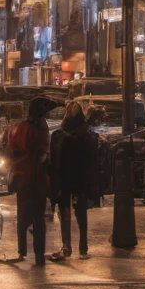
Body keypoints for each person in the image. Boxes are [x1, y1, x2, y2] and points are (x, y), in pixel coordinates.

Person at [48, 101, 99, 262]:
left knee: (65, 213)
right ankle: (82, 247)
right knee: (81, 213)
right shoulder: (88, 136)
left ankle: (67, 246)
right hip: (80, 179)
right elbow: (93, 161)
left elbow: (53, 159)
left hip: (64, 179)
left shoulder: (58, 136)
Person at [6, 96, 54, 265]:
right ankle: (39, 254)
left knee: (23, 216)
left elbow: (10, 149)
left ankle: (22, 250)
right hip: (36, 179)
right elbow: (43, 155)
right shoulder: (40, 131)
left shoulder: (18, 128)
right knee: (38, 218)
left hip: (22, 178)